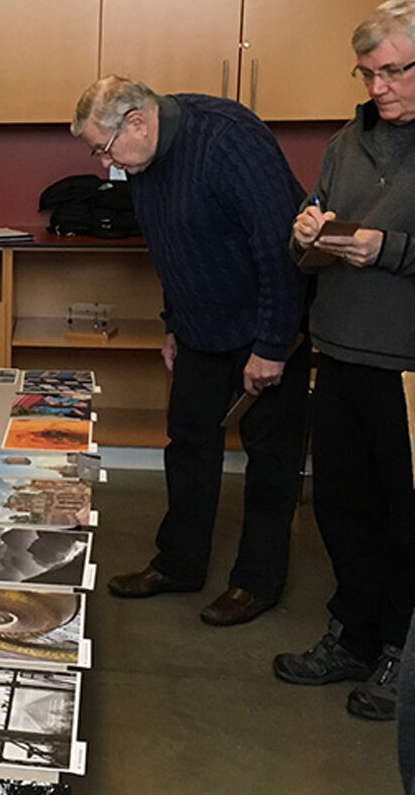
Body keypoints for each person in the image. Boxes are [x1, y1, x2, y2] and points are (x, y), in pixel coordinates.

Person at [71, 75, 310, 626]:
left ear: (137, 121)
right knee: (188, 445)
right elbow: (172, 249)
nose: (107, 163)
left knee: (271, 459)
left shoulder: (228, 140)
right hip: (202, 324)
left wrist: (273, 346)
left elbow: (281, 249)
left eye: (104, 149)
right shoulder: (143, 162)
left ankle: (257, 581)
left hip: (267, 324)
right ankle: (179, 563)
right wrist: (173, 324)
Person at [272, 0, 415, 731]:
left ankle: (400, 650)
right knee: (340, 508)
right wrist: (307, 232)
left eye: (392, 71)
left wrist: (387, 249)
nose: (376, 88)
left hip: (406, 373)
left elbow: (390, 245)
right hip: (338, 351)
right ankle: (352, 636)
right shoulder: (342, 144)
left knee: (404, 521)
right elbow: (309, 239)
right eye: (366, 73)